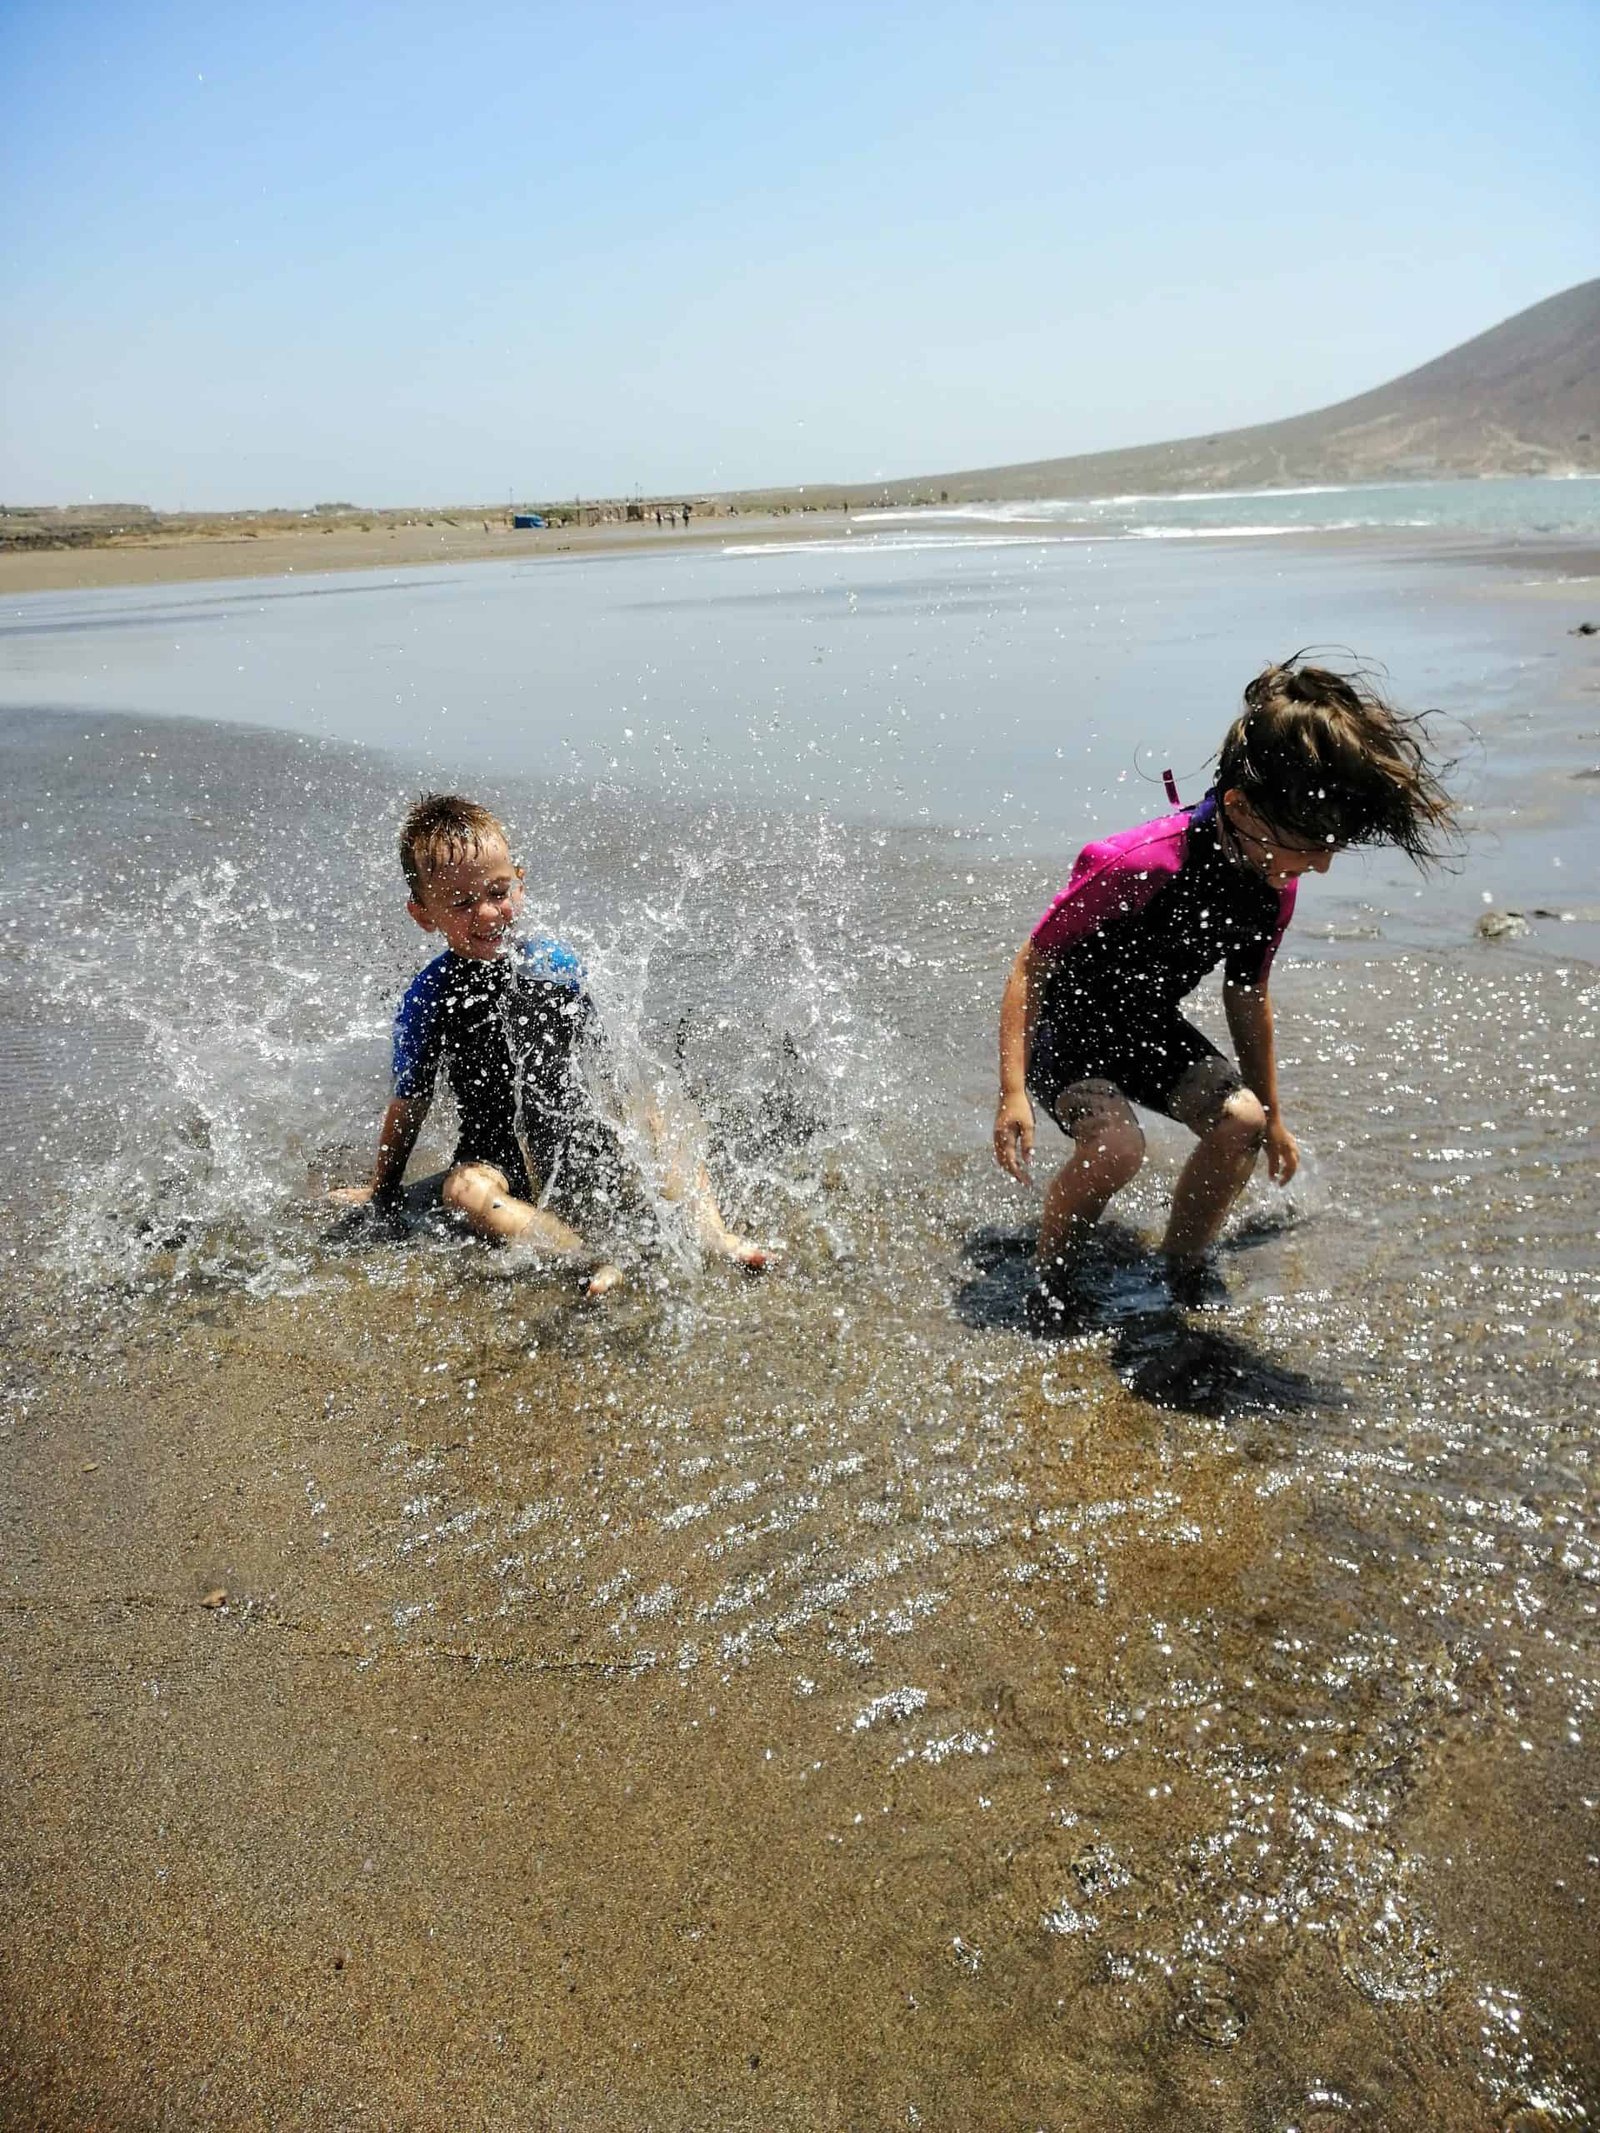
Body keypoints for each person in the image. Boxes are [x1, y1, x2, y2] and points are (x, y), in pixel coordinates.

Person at [993, 658, 1456, 1304]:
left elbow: (1247, 995)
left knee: (1242, 1121)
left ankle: (1181, 1269)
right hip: (1068, 1031)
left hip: (1146, 1030)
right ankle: (1053, 1281)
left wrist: (1275, 1115)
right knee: (1119, 1148)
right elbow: (1031, 960)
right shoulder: (1141, 862)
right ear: (1239, 808)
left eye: (1331, 847)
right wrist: (1013, 1090)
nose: (1320, 864)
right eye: (1308, 845)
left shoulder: (1273, 890)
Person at [331, 793, 766, 1296]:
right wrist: (382, 1193)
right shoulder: (429, 998)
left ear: (520, 881)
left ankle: (714, 1235)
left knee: (658, 1112)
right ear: (424, 913)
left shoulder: (554, 964)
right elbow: (410, 1103)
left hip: (577, 1131)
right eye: (462, 903)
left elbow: (606, 1060)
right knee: (463, 1190)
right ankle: (585, 1255)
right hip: (496, 1152)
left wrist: (632, 1122)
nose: (489, 914)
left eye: (498, 892)